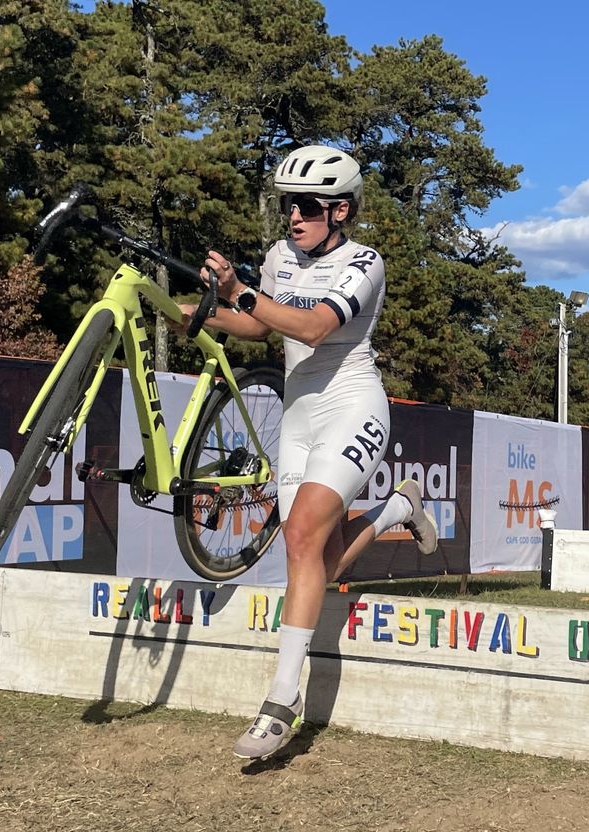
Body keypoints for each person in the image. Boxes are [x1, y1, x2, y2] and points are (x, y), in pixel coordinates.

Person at [175, 145, 438, 760]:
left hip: (351, 405)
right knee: (320, 560)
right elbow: (262, 328)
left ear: (340, 210)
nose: (293, 216)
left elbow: (316, 327)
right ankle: (396, 511)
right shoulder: (278, 257)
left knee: (298, 538)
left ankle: (280, 700)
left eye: (306, 206)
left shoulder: (364, 262)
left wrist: (240, 293)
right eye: (288, 204)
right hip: (298, 413)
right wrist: (206, 314)